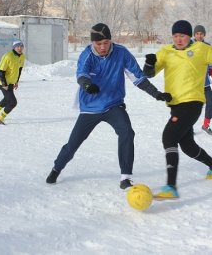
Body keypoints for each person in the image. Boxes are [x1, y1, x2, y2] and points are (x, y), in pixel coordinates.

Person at [46, 23, 172, 190]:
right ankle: (57, 168)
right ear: (93, 43)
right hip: (90, 107)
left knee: (127, 132)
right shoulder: (87, 55)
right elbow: (81, 75)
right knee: (73, 143)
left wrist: (157, 94)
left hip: (114, 104)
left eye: (106, 42)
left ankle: (125, 177)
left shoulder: (121, 53)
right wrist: (87, 86)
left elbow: (138, 78)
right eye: (99, 44)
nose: (103, 47)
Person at [143, 20, 212, 200]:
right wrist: (149, 64)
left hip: (193, 102)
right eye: (176, 36)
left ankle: (171, 187)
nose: (179, 39)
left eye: (183, 36)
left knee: (169, 136)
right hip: (175, 105)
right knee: (188, 146)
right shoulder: (166, 51)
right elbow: (149, 74)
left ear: (190, 36)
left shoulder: (202, 50)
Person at [0, 40, 26, 125]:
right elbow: (0, 71)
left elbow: (19, 70)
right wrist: (4, 84)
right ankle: (0, 119)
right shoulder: (8, 56)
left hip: (11, 83)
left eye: (21, 46)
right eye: (17, 46)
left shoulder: (22, 56)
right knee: (13, 102)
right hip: (3, 82)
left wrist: (16, 81)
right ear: (14, 47)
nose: (20, 48)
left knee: (7, 99)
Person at [194, 25, 212, 135]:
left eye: (201, 34)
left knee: (211, 103)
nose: (199, 36)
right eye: (197, 34)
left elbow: (211, 65)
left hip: (205, 83)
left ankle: (206, 125)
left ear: (204, 35)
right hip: (192, 83)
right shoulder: (188, 46)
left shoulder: (208, 47)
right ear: (194, 35)